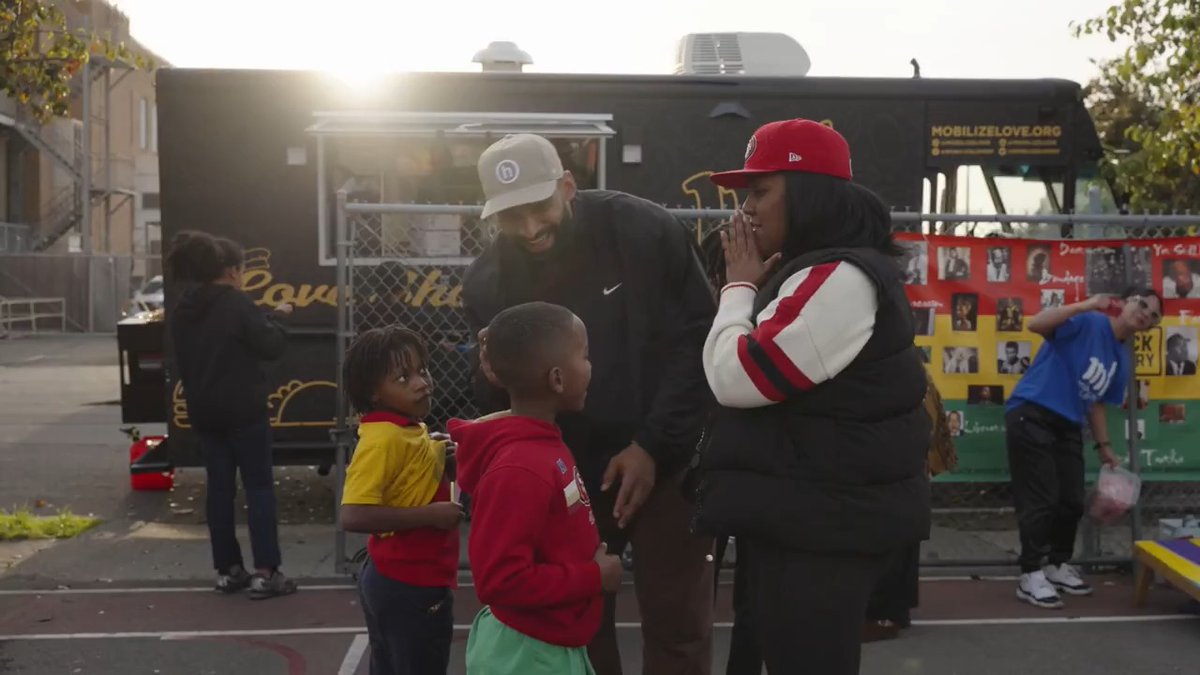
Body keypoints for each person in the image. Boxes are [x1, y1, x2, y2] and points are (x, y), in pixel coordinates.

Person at [462, 133, 716, 674]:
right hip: (565, 469)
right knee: (579, 622)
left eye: (539, 206)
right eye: (510, 216)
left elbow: (699, 341)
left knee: (678, 622)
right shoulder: (487, 280)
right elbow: (503, 394)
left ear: (568, 186)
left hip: (668, 457)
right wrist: (491, 381)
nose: (529, 227)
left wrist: (652, 446)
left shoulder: (644, 230)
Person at [694, 119, 930, 674]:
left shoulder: (840, 275)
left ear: (808, 195)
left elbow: (737, 376)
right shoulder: (818, 267)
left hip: (821, 528)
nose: (746, 210)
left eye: (760, 191)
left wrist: (737, 289)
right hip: (803, 517)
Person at [450, 302, 624, 675]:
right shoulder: (521, 467)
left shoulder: (542, 443)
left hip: (550, 645)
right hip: (529, 654)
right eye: (585, 355)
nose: (591, 366)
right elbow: (500, 580)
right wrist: (594, 576)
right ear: (557, 379)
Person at [1006, 287, 1162, 609]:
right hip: (1032, 412)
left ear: (1151, 326)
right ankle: (1030, 573)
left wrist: (1104, 446)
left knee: (1072, 500)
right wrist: (1086, 304)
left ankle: (1056, 564)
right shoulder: (1091, 322)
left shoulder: (1122, 359)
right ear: (1124, 303)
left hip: (1068, 424)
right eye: (1142, 304)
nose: (1145, 314)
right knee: (1041, 498)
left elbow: (1097, 403)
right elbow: (1036, 324)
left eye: (1153, 315)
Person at [166, 231, 297, 599]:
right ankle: (266, 571)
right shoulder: (237, 304)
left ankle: (228, 570)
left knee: (219, 490)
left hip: (204, 411)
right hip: (244, 410)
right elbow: (269, 344)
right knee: (259, 488)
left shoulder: (183, 310)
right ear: (231, 271)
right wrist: (280, 317)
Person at [340, 326, 464, 675]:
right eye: (403, 377)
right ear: (373, 393)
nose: (422, 383)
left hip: (411, 576)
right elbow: (353, 515)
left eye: (423, 370)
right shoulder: (383, 439)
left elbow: (410, 479)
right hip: (407, 582)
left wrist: (439, 457)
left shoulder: (408, 427)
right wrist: (430, 515)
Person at [864, 368, 957, 641]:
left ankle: (882, 613)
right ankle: (893, 611)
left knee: (886, 524)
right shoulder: (911, 371)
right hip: (902, 458)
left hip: (891, 457)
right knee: (898, 521)